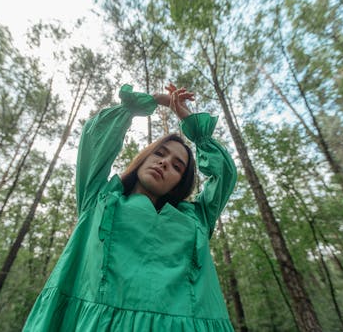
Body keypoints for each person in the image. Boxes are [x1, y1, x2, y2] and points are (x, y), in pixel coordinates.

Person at [23, 83, 237, 331]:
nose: (165, 163)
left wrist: (192, 124)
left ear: (180, 183)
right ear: (144, 157)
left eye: (177, 166)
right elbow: (96, 135)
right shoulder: (99, 199)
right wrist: (155, 100)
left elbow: (224, 175)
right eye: (160, 153)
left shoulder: (197, 218)